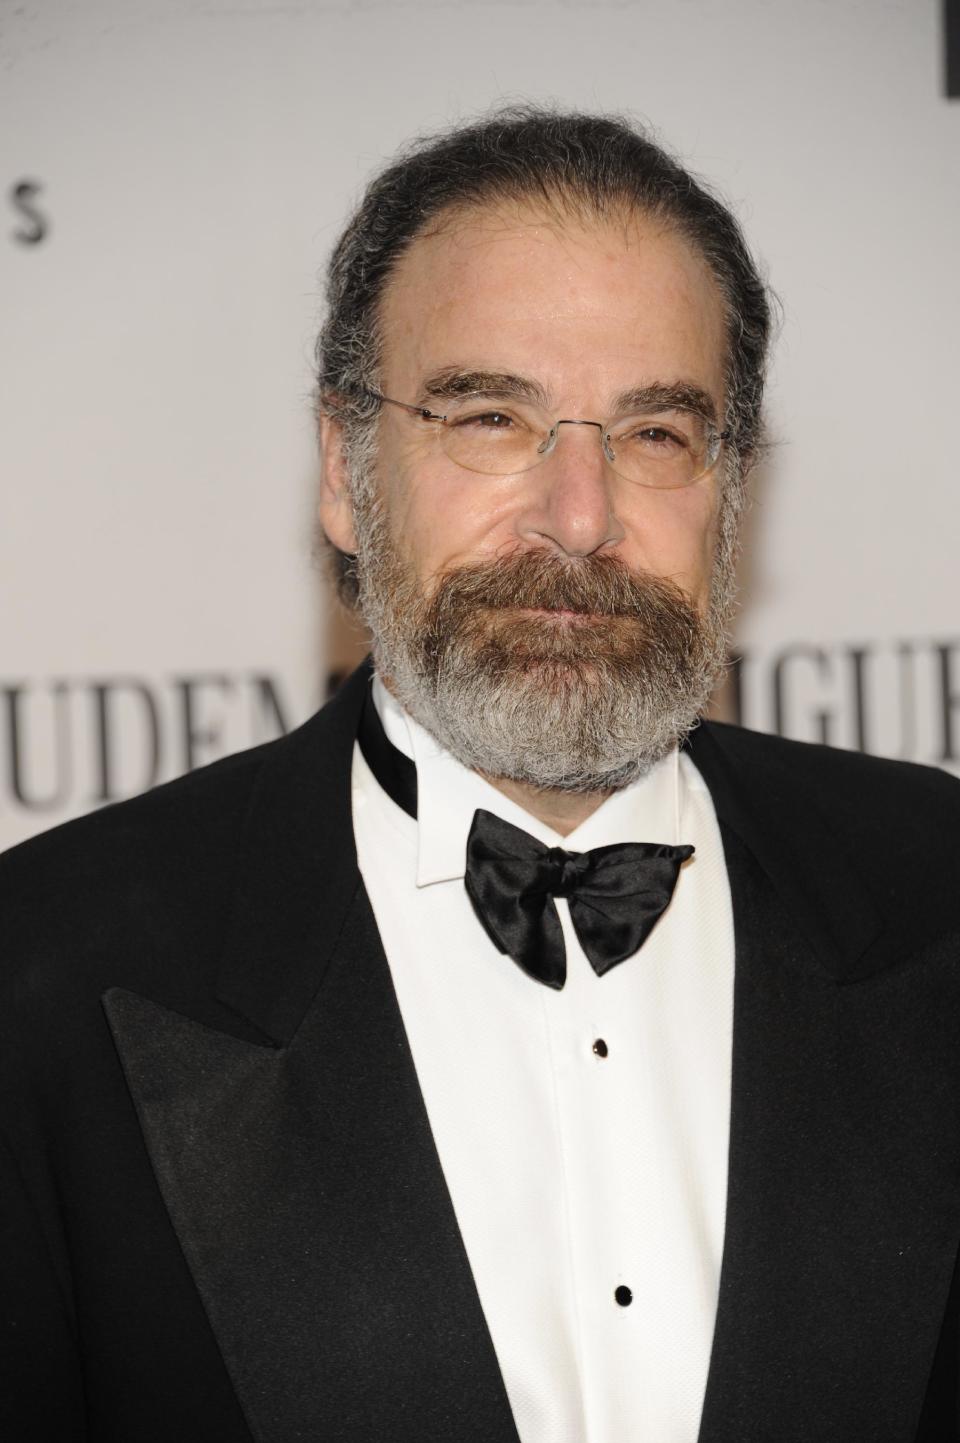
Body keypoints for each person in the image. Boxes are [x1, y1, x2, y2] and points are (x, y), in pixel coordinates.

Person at [2, 106, 959, 1443]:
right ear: (346, 470)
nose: (580, 520)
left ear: (731, 487)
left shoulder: (942, 896)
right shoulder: (42, 975)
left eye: (656, 434)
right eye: (490, 418)